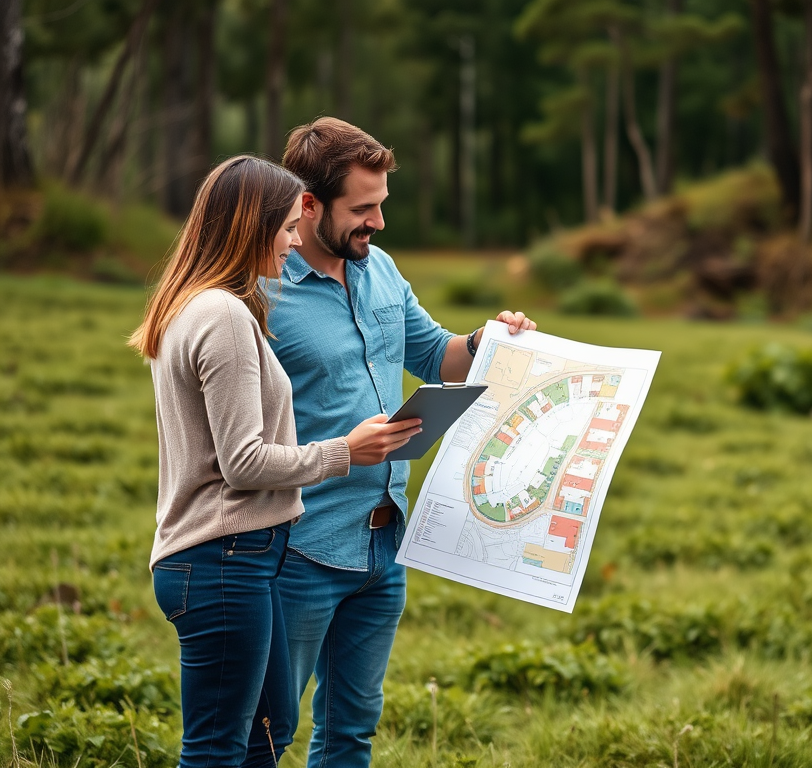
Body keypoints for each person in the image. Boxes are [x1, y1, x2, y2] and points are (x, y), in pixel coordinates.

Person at [258, 117, 536, 767]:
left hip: (386, 546)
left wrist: (490, 338)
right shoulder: (261, 293)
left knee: (352, 732)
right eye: (363, 209)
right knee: (268, 735)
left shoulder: (380, 270)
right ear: (307, 205)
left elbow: (439, 357)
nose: (378, 223)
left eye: (381, 206)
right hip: (298, 550)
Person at [129, 155, 422, 768]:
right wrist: (347, 451)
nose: (293, 242)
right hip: (227, 554)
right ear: (251, 226)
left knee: (261, 736)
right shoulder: (227, 315)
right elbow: (241, 462)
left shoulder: (196, 306)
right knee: (223, 747)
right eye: (288, 226)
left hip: (225, 554)